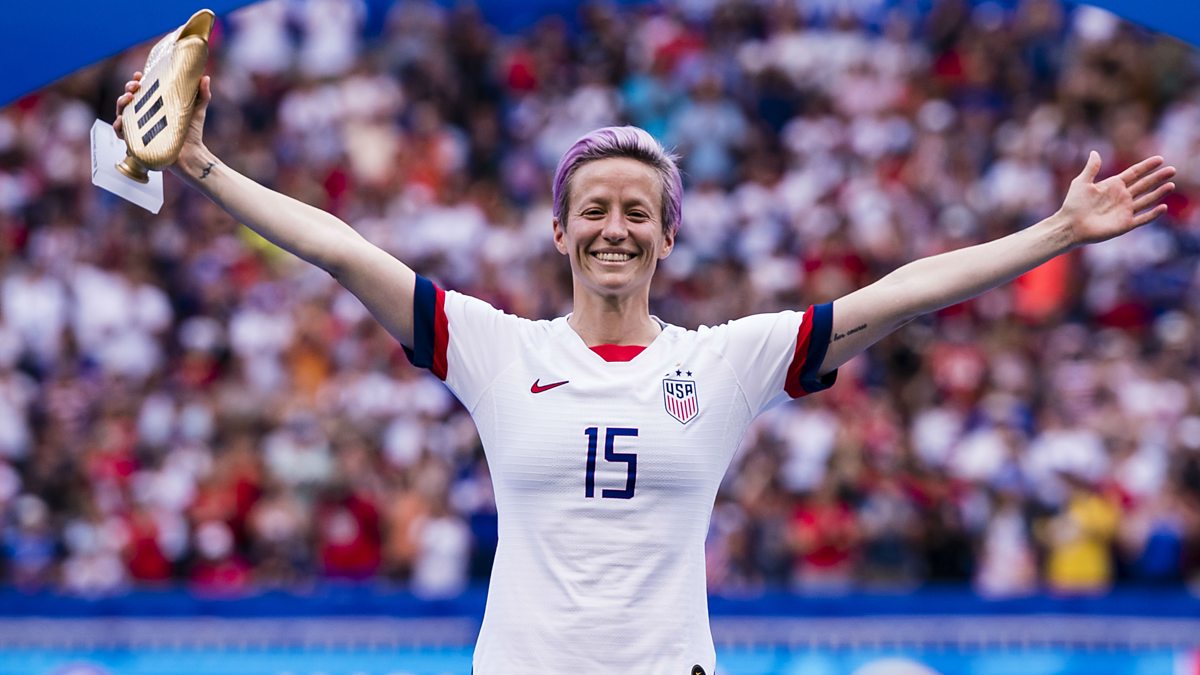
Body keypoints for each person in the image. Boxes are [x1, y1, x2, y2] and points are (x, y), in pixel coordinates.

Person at [115, 71, 1175, 674]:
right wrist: (201, 163)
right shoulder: (496, 348)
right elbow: (342, 249)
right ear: (560, 231)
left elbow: (907, 293)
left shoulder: (724, 361)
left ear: (667, 237)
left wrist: (1057, 230)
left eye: (636, 211)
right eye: (595, 209)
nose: (614, 227)